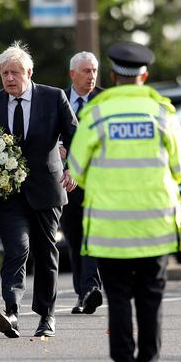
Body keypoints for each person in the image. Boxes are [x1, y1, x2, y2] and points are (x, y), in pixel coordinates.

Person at [68, 41, 181, 362]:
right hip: (154, 226)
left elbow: (77, 169)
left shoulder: (97, 112)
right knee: (150, 300)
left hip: (109, 228)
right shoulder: (162, 112)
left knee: (119, 299)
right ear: (145, 76)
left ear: (111, 76)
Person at [0, 41, 77, 338]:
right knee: (16, 248)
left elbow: (76, 136)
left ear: (28, 72)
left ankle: (46, 315)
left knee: (46, 253)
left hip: (47, 188)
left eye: (15, 72)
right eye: (4, 73)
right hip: (6, 192)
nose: (9, 78)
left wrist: (74, 167)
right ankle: (11, 311)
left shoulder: (53, 97)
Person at [60, 51, 104, 314]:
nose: (92, 76)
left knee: (92, 236)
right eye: (86, 71)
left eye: (95, 71)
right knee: (75, 239)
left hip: (98, 182)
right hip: (67, 183)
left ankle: (91, 289)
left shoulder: (105, 101)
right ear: (72, 74)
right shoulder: (58, 99)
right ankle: (82, 294)